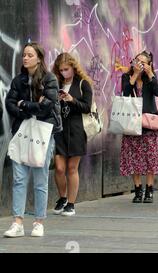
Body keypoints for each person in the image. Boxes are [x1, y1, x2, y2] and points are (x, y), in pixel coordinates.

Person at [4, 42, 62, 238]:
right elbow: (9, 103)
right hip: (21, 132)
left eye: (29, 55)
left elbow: (46, 106)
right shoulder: (18, 80)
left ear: (39, 58)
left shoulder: (50, 79)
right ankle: (17, 222)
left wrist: (23, 104)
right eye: (24, 55)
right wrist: (28, 106)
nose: (25, 58)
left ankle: (39, 221)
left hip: (43, 134)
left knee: (40, 179)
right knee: (19, 179)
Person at [120, 51, 158, 203]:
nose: (139, 64)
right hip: (132, 122)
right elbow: (125, 94)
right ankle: (138, 189)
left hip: (149, 122)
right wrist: (134, 75)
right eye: (136, 60)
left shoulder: (150, 78)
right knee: (134, 157)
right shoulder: (126, 77)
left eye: (143, 62)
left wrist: (150, 73)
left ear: (149, 64)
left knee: (150, 157)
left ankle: (150, 190)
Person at [52, 53, 93, 216]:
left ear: (73, 68)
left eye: (66, 69)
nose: (64, 73)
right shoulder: (56, 84)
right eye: (60, 70)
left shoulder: (83, 83)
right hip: (60, 130)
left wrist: (71, 99)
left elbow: (87, 107)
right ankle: (62, 197)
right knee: (60, 168)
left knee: (71, 167)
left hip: (76, 130)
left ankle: (71, 203)